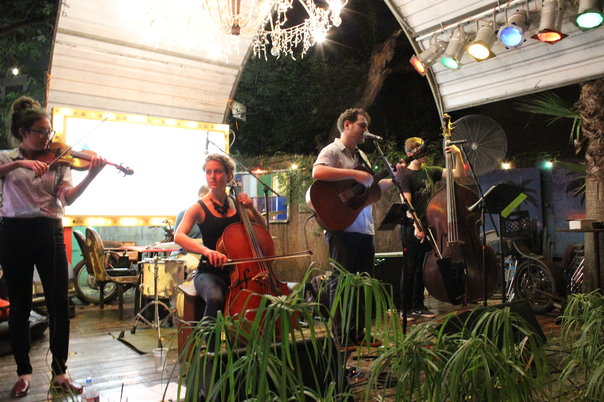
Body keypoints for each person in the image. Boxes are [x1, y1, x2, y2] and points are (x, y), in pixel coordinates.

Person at [0, 96, 107, 398]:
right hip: (14, 232)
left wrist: (92, 175)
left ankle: (60, 372)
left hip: (49, 230)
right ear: (23, 132)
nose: (48, 137)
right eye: (41, 131)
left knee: (59, 304)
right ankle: (23, 373)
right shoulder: (7, 158)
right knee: (20, 305)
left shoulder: (59, 158)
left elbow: (67, 198)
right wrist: (21, 163)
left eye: (49, 131)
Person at [312, 108, 391, 348]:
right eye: (362, 126)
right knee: (342, 282)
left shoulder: (362, 156)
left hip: (363, 227)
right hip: (341, 227)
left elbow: (370, 187)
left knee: (363, 283)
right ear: (347, 125)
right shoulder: (332, 150)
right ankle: (340, 335)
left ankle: (359, 332)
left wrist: (393, 178)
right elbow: (318, 171)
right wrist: (354, 175)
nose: (366, 131)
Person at [174, 154, 265, 320]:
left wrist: (252, 208)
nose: (212, 176)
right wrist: (207, 251)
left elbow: (262, 227)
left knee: (258, 297)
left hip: (238, 272)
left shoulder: (237, 205)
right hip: (209, 272)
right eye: (208, 172)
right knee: (215, 298)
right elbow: (179, 236)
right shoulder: (198, 207)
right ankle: (208, 337)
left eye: (217, 171)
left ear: (228, 175)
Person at [395, 136, 466, 319]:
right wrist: (416, 226)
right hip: (411, 227)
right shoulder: (404, 175)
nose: (424, 153)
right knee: (410, 269)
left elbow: (458, 174)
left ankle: (418, 306)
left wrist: (457, 154)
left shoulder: (430, 171)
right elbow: (407, 204)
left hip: (429, 228)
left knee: (422, 268)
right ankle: (405, 309)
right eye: (419, 150)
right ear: (411, 153)